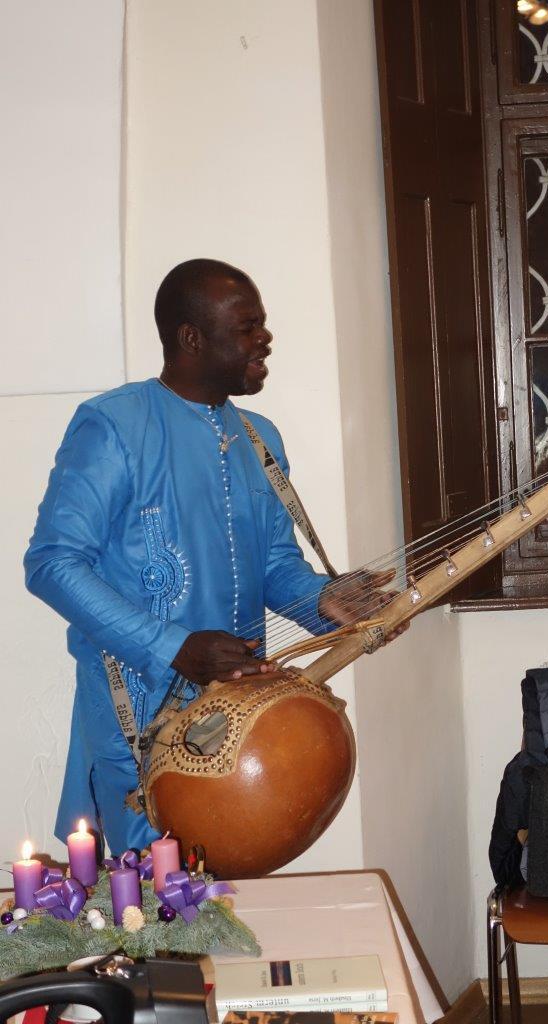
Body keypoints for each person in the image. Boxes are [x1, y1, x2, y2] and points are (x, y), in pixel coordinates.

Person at [25, 259, 393, 855]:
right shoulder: (114, 425)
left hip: (241, 717)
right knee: (154, 895)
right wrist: (173, 647)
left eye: (261, 324)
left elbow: (276, 566)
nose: (265, 338)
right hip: (137, 713)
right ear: (191, 338)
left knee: (225, 884)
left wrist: (327, 601)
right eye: (248, 327)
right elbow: (53, 563)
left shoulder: (259, 437)